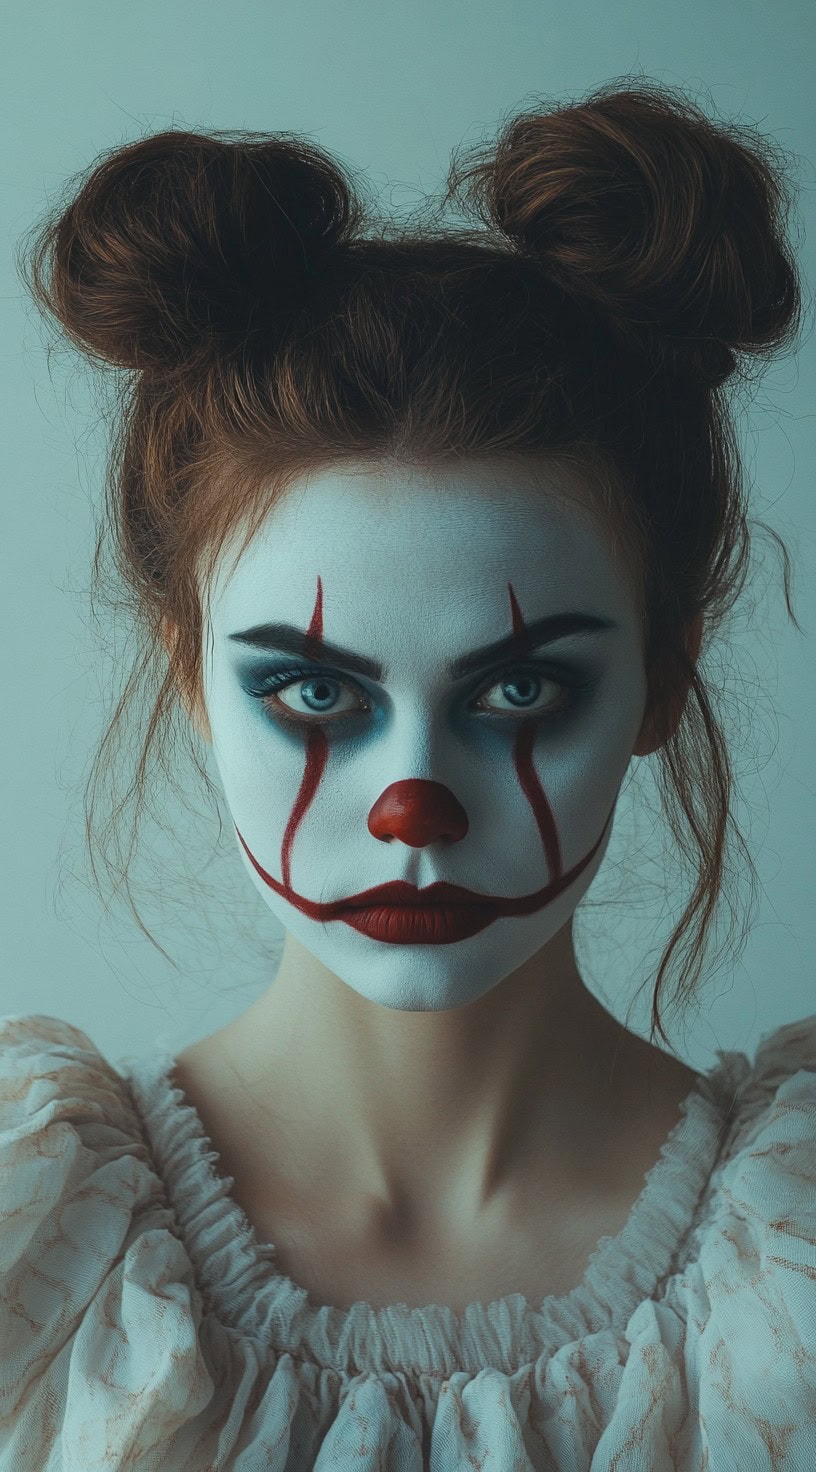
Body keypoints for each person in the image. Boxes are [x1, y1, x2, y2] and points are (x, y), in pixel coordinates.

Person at [2, 78, 814, 1469]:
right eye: (312, 690)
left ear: (660, 682)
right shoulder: (30, 1248)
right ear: (193, 675)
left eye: (519, 688)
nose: (412, 809)